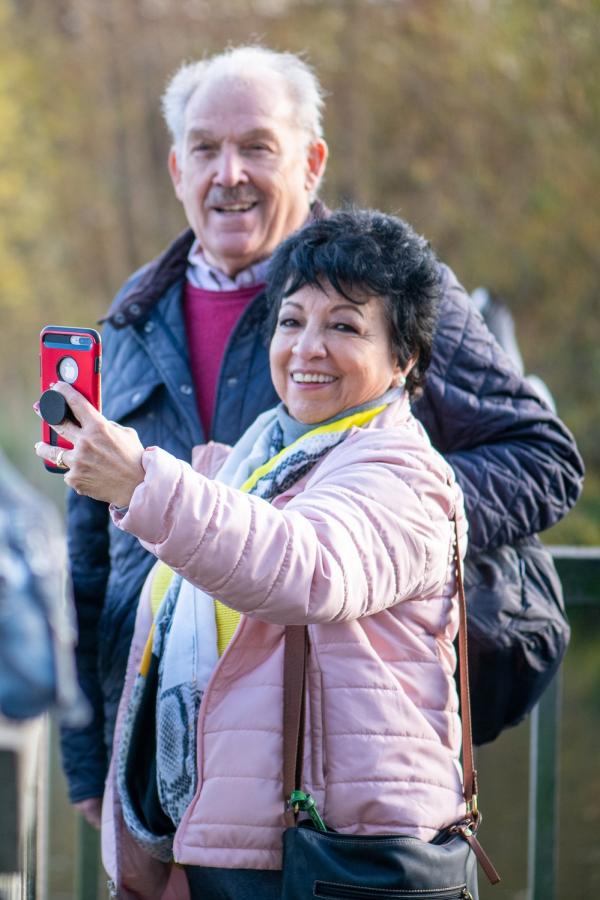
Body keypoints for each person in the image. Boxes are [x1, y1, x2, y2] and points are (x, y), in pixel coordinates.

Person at [60, 45, 584, 829]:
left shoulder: (393, 287)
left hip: (330, 782)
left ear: (312, 161)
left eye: (258, 147)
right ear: (176, 169)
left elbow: (541, 460)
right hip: (162, 777)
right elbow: (90, 561)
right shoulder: (129, 321)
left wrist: (384, 520)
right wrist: (88, 763)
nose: (228, 172)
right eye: (206, 148)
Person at [37, 209, 471, 898]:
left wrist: (144, 483)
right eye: (292, 320)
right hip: (242, 852)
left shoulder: (403, 474)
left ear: (404, 358)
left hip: (341, 861)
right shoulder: (257, 460)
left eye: (345, 326)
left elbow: (305, 567)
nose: (307, 348)